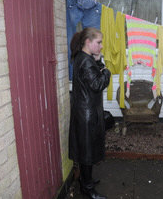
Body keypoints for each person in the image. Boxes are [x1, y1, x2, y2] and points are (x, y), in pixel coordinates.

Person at [69, 27, 111, 199]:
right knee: (87, 152)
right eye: (98, 42)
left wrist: (99, 62)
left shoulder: (83, 57)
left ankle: (86, 181)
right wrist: (107, 72)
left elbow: (93, 76)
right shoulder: (85, 61)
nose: (101, 46)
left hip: (85, 112)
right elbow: (97, 84)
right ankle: (87, 189)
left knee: (88, 149)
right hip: (86, 115)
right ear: (88, 42)